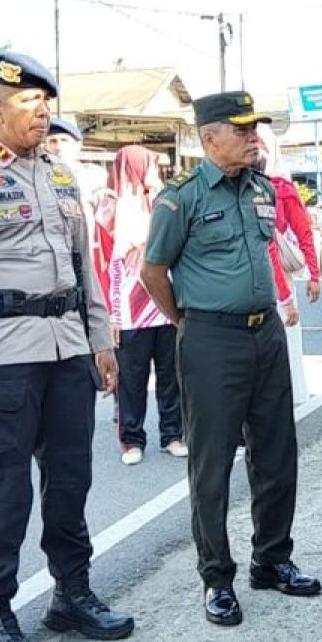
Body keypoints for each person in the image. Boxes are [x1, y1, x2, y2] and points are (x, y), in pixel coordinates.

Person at [0, 50, 132, 642]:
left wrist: (101, 339)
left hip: (68, 349)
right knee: (7, 485)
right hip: (3, 355)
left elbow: (83, 266)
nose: (42, 112)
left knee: (71, 479)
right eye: (27, 101)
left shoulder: (62, 175)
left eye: (46, 101)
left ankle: (72, 593)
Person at [141, 91, 321, 628]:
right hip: (210, 339)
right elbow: (154, 273)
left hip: (264, 332)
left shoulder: (262, 189)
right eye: (241, 129)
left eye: (255, 129)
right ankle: (217, 578)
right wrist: (187, 324)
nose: (253, 137)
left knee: (277, 452)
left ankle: (272, 559)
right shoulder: (181, 199)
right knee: (212, 464)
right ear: (209, 137)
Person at [93, 145, 187, 466]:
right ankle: (132, 439)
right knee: (131, 380)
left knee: (170, 375)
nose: (154, 171)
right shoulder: (111, 207)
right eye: (149, 165)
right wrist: (113, 315)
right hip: (131, 309)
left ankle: (172, 434)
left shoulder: (163, 200)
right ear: (135, 167)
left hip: (164, 305)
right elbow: (108, 265)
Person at [255, 123, 321, 404]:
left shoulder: (280, 189)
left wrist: (310, 278)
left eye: (259, 145)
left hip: (273, 281)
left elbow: (299, 233)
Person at [44, 116, 108, 211]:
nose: (58, 147)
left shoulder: (95, 176)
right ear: (46, 146)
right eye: (53, 141)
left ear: (78, 145)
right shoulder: (38, 176)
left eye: (64, 140)